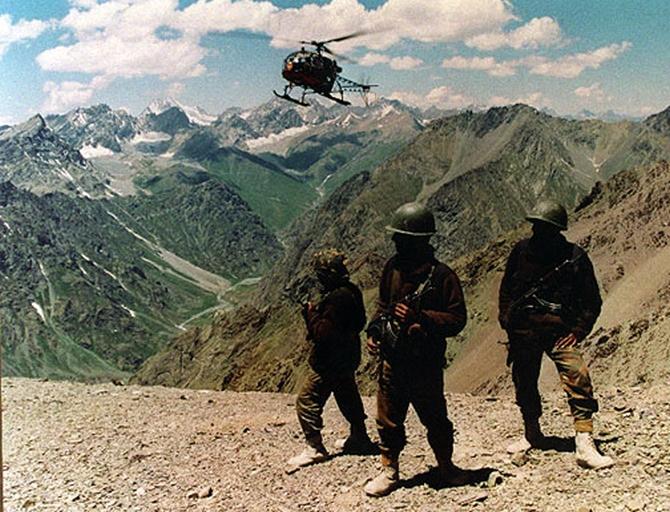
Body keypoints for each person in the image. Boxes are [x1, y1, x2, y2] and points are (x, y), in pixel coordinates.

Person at [499, 199, 614, 469]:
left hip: (559, 332)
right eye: (537, 227)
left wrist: (577, 331)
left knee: (578, 375)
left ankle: (584, 441)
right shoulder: (521, 251)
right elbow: (506, 289)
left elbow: (591, 301)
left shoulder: (574, 258)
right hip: (524, 331)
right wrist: (506, 319)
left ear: (557, 231)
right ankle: (531, 433)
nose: (539, 233)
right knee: (524, 381)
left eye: (545, 228)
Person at [364, 202, 469, 497]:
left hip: (424, 363)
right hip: (393, 359)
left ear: (417, 240)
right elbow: (383, 306)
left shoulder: (442, 277)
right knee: (388, 418)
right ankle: (390, 469)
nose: (395, 242)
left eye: (401, 237)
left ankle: (446, 466)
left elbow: (457, 319)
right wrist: (374, 331)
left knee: (435, 417)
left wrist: (421, 319)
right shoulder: (392, 268)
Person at [287, 249, 375, 471]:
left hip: (329, 361)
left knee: (307, 401)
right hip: (348, 356)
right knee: (347, 395)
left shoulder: (336, 298)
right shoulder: (352, 291)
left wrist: (311, 315)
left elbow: (322, 334)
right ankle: (359, 437)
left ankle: (314, 447)